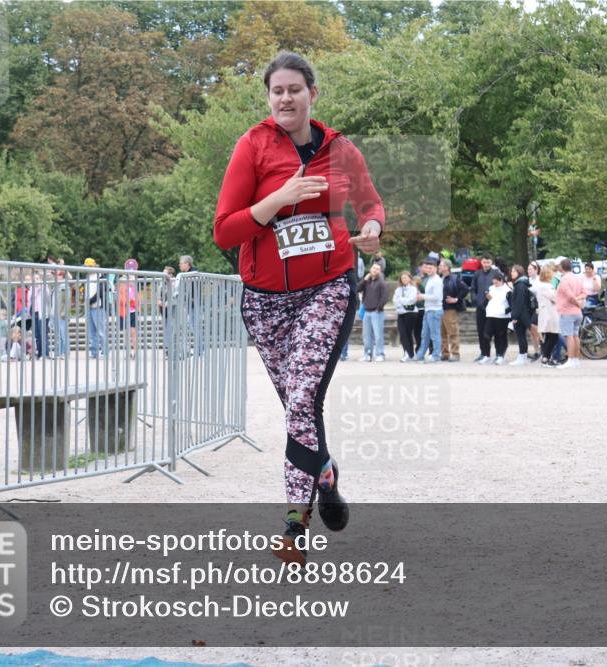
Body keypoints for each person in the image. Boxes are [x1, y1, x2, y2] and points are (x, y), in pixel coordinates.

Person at [213, 51, 384, 565]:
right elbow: (225, 229)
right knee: (298, 406)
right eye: (276, 91)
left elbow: (370, 203)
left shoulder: (341, 149)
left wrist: (373, 228)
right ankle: (324, 472)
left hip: (327, 287)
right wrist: (278, 199)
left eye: (294, 89)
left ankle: (294, 522)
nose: (285, 98)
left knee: (304, 397)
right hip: (266, 301)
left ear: (313, 94)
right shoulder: (253, 145)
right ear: (269, 98)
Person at [554, 257, 584, 369]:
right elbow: (583, 292)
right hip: (577, 312)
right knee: (575, 336)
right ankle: (576, 360)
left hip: (567, 311)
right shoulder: (577, 278)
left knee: (569, 336)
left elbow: (568, 295)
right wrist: (579, 301)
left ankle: (570, 359)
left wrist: (576, 301)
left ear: (562, 267)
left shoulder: (564, 279)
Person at [358, 262, 387, 362]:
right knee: (366, 335)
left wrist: (378, 308)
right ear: (370, 269)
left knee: (378, 335)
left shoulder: (381, 282)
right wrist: (364, 280)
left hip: (377, 312)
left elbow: (384, 297)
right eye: (374, 268)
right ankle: (367, 354)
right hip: (366, 311)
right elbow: (358, 289)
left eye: (377, 269)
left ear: (380, 271)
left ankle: (380, 354)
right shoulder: (367, 281)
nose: (375, 270)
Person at [415, 258, 443, 363]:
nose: (428, 270)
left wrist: (423, 296)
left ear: (436, 268)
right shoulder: (430, 279)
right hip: (428, 310)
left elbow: (437, 297)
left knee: (434, 334)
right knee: (425, 334)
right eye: (427, 268)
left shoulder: (436, 280)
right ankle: (420, 355)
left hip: (435, 310)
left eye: (431, 268)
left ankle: (436, 355)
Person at [439, 259, 467, 361]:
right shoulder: (440, 278)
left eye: (441, 265)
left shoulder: (454, 278)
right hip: (440, 309)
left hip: (450, 309)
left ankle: (455, 353)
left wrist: (456, 299)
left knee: (453, 332)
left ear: (447, 267)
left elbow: (465, 289)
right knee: (442, 333)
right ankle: (445, 353)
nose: (439, 267)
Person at [471, 254, 496, 363]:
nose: (486, 264)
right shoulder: (477, 274)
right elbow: (473, 289)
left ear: (491, 263)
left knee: (491, 332)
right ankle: (483, 353)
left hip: (492, 308)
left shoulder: (496, 274)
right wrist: (476, 300)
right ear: (481, 262)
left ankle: (495, 353)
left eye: (488, 262)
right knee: (481, 331)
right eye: (484, 262)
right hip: (480, 307)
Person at [533, 264, 560, 367]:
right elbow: (555, 298)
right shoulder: (546, 286)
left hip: (547, 313)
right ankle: (546, 358)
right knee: (553, 336)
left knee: (549, 336)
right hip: (549, 314)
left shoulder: (542, 285)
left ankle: (546, 357)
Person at [483, 271, 511, 365]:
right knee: (486, 336)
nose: (495, 284)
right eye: (493, 282)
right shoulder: (491, 288)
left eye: (496, 283)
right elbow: (489, 301)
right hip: (491, 315)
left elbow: (511, 305)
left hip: (502, 317)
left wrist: (505, 311)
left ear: (501, 281)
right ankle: (486, 355)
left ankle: (500, 355)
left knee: (500, 337)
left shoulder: (507, 290)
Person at [509, 264, 534, 366]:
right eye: (512, 271)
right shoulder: (522, 284)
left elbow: (519, 302)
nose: (512, 273)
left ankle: (522, 357)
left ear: (519, 273)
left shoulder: (519, 285)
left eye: (514, 271)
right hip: (524, 314)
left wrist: (514, 316)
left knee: (521, 336)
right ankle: (522, 357)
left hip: (520, 315)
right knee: (522, 336)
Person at [393, 271, 419, 362]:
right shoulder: (398, 289)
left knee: (408, 333)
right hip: (401, 313)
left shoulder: (413, 289)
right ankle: (407, 353)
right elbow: (395, 301)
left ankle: (410, 353)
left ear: (409, 278)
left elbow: (411, 300)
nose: (404, 279)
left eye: (406, 277)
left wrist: (401, 300)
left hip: (410, 313)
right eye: (402, 278)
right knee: (403, 334)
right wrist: (402, 302)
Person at [84, 258, 108, 358]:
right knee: (91, 332)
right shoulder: (87, 277)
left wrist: (90, 300)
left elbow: (101, 292)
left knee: (101, 331)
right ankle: (94, 352)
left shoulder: (100, 276)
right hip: (89, 307)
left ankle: (105, 351)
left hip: (98, 306)